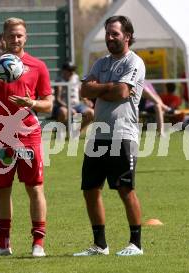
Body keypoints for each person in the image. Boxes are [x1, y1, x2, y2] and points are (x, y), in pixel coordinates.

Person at [0, 17, 53, 257]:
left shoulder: (38, 66)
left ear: (26, 37)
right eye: (11, 35)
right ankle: (3, 244)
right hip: (0, 136)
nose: (15, 39)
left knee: (34, 188)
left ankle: (38, 244)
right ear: (4, 37)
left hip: (28, 135)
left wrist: (31, 102)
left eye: (19, 35)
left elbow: (48, 105)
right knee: (1, 189)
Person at [73, 15, 145, 257]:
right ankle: (100, 245)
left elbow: (122, 91)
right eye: (108, 33)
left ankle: (136, 244)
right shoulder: (100, 63)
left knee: (126, 190)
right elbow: (84, 89)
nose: (110, 38)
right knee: (90, 190)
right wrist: (109, 87)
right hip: (98, 135)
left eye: (115, 33)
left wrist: (100, 88)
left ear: (127, 36)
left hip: (122, 134)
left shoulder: (134, 62)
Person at [52, 62, 94, 132]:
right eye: (70, 70)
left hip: (77, 105)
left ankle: (78, 131)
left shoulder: (76, 77)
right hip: (63, 106)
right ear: (64, 71)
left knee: (91, 113)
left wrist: (86, 100)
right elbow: (57, 99)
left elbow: (80, 92)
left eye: (73, 70)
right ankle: (62, 131)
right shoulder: (59, 80)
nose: (72, 72)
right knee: (63, 112)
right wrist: (69, 108)